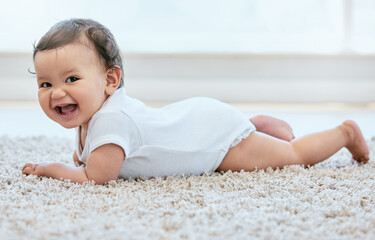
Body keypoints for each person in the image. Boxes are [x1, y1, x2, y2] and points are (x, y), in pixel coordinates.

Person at [22, 19, 370, 185]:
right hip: (200, 121)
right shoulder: (95, 116)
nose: (56, 92)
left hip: (213, 144)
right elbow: (87, 155)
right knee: (254, 140)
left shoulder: (113, 121)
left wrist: (49, 169)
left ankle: (343, 133)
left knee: (294, 156)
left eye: (71, 79)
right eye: (45, 83)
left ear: (110, 80)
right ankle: (254, 126)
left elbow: (95, 177)